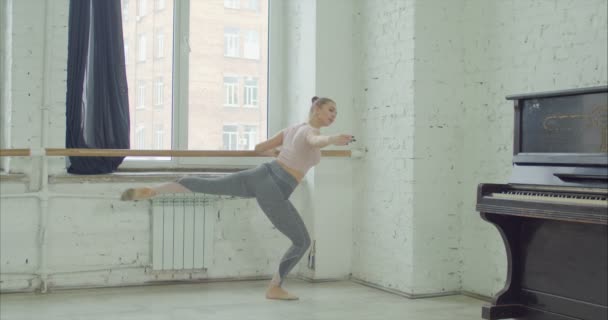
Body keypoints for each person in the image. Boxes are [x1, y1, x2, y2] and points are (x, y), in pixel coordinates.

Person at [121, 96, 353, 300]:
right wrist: (332, 139)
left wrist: (275, 152)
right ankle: (275, 287)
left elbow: (259, 147)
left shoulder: (292, 129)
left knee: (210, 185)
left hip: (261, 174)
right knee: (302, 241)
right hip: (275, 187)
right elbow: (315, 141)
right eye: (331, 109)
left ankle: (156, 190)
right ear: (316, 110)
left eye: (336, 112)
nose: (334, 115)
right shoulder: (311, 132)